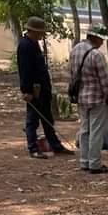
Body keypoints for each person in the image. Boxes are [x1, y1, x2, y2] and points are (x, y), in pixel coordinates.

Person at [16, 17, 70, 159]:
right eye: (40, 32)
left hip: (43, 89)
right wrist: (26, 91)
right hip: (33, 90)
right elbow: (25, 70)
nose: (42, 35)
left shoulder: (34, 44)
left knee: (48, 119)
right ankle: (33, 148)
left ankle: (55, 145)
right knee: (32, 120)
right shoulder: (25, 45)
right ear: (33, 31)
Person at [69, 24, 108, 174]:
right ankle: (95, 163)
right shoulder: (97, 55)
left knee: (84, 130)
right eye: (101, 39)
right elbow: (105, 82)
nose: (102, 42)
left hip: (81, 98)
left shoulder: (75, 50)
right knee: (96, 132)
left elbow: (72, 75)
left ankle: (84, 161)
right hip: (97, 99)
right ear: (95, 37)